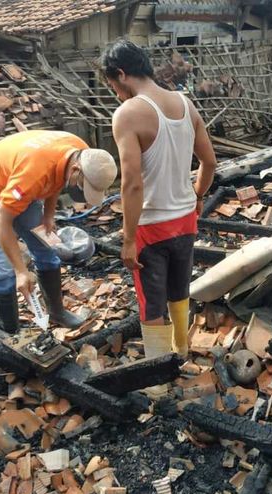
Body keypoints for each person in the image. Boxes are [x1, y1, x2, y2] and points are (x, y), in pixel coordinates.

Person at [101, 40, 217, 358]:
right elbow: (209, 162)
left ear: (122, 75)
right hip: (185, 222)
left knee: (151, 304)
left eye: (112, 85)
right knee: (179, 291)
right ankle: (181, 351)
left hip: (150, 228)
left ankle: (158, 378)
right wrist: (198, 197)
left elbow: (132, 184)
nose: (115, 93)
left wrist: (127, 240)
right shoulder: (185, 103)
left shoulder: (127, 114)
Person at [0, 131, 117, 333]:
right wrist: (21, 271)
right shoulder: (34, 173)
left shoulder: (81, 150)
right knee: (4, 270)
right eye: (84, 186)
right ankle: (11, 333)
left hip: (20, 183)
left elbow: (58, 176)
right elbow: (1, 220)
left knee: (47, 251)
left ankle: (57, 312)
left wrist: (49, 214)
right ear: (77, 169)